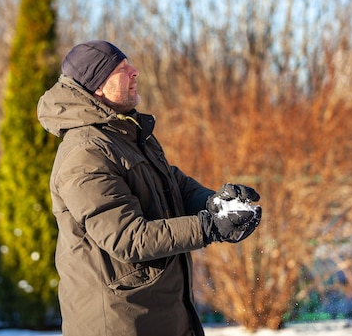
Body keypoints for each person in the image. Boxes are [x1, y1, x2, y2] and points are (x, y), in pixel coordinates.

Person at [37, 40, 262, 336]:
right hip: (121, 322)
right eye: (121, 69)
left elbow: (173, 185)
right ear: (98, 88)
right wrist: (209, 227)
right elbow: (127, 238)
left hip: (159, 312)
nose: (135, 72)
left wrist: (214, 202)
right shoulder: (85, 154)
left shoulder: (126, 134)